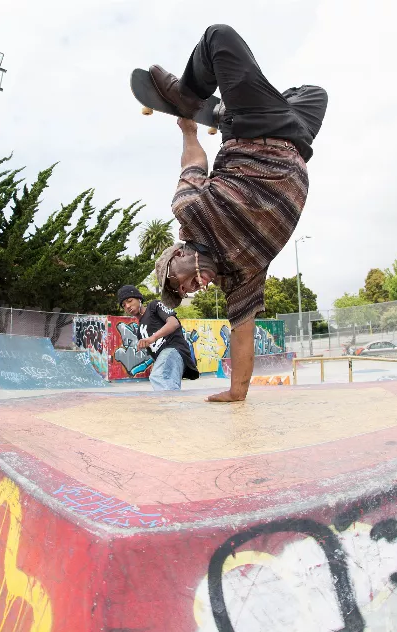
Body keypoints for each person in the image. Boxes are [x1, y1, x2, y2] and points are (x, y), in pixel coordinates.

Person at [149, 24, 327, 402]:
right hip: (293, 137)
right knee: (316, 94)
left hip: (254, 130)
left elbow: (194, 162)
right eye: (187, 292)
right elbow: (242, 333)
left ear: (179, 256)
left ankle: (187, 93)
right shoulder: (240, 279)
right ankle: (230, 107)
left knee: (219, 37)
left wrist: (188, 130)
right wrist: (237, 392)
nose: (193, 288)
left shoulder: (191, 211)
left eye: (182, 283)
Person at [117, 285, 198, 390]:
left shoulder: (154, 306)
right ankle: (174, 405)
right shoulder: (139, 332)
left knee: (158, 376)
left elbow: (174, 323)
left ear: (139, 299)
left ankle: (171, 403)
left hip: (175, 349)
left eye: (130, 301)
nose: (127, 306)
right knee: (166, 382)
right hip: (168, 358)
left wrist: (152, 338)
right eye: (123, 305)